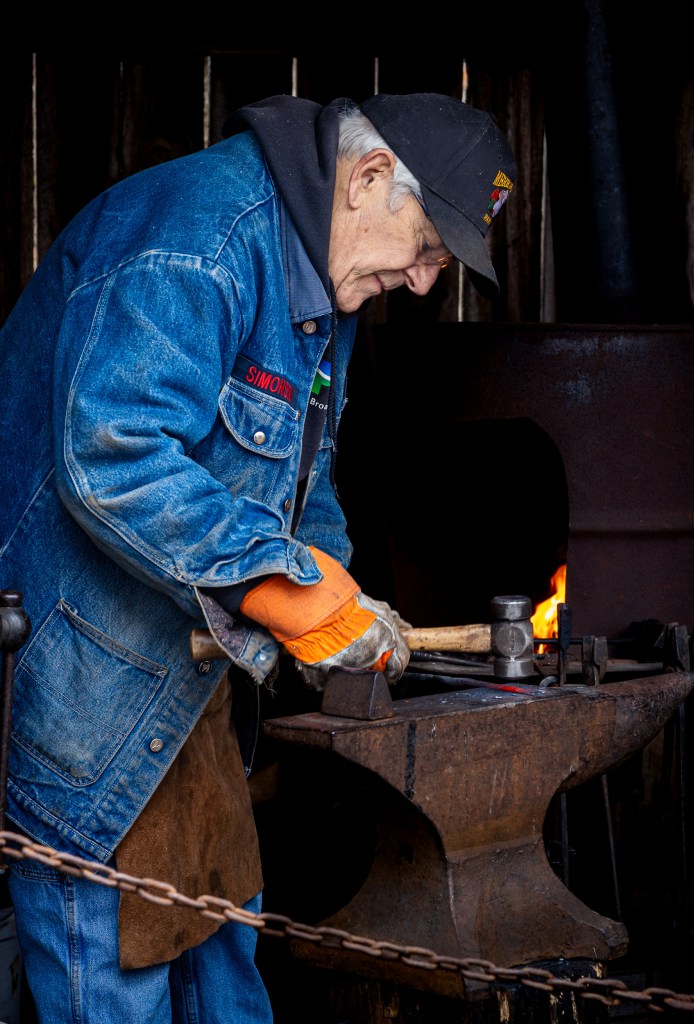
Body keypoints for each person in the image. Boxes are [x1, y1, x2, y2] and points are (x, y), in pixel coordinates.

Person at [0, 91, 515, 1022]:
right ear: (366, 179)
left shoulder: (321, 287)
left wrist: (338, 601)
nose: (426, 282)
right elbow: (113, 455)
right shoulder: (196, 243)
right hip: (80, 700)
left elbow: (302, 482)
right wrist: (290, 595)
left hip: (189, 699)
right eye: (427, 249)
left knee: (231, 982)